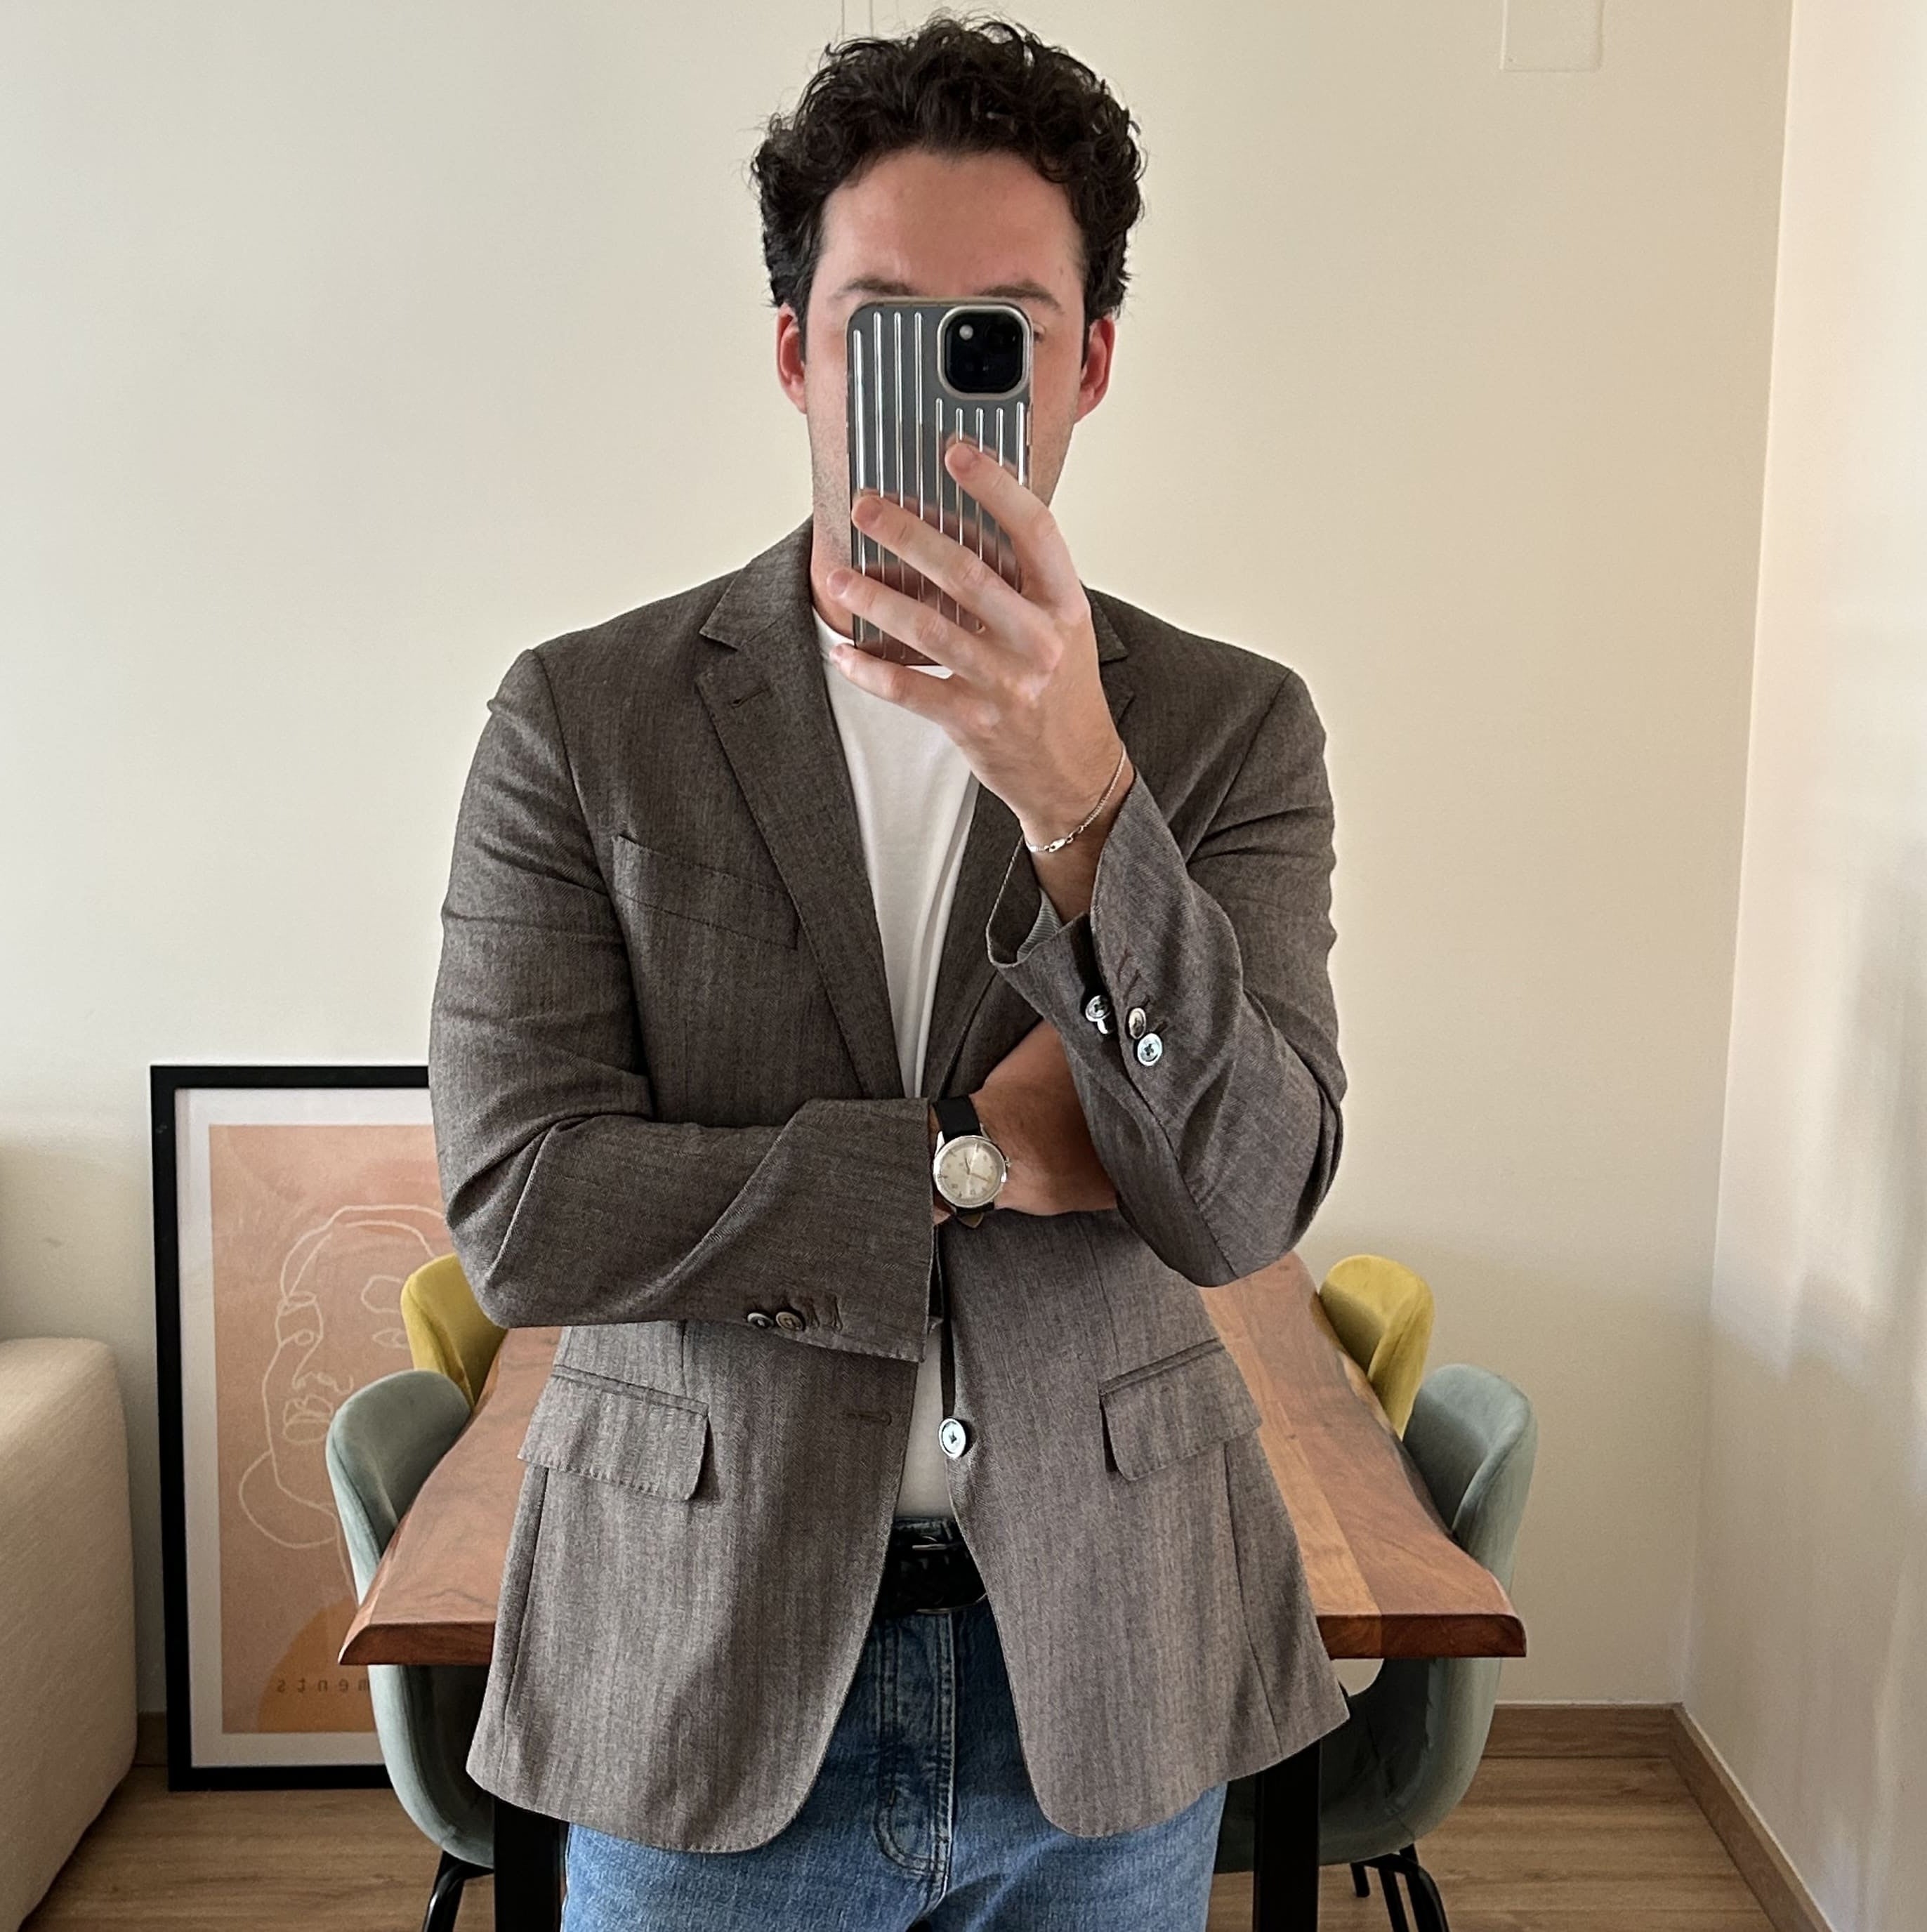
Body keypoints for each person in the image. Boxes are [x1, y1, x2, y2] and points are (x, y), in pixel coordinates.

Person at [428, 17, 1350, 1930]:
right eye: (885, 324)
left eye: (1002, 329)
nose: (946, 392)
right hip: (704, 1662)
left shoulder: (1228, 732)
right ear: (795, 352)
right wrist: (964, 1163)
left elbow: (1243, 1196)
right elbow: (523, 1209)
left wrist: (1082, 794)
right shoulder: (584, 725)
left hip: (1101, 1666)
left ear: (1090, 364)